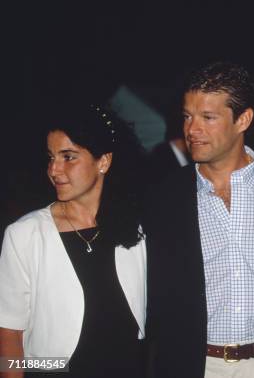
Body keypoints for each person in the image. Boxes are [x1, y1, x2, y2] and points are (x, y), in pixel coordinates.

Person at [144, 62, 254, 378]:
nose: (192, 129)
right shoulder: (163, 198)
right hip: (197, 365)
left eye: (208, 118)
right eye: (187, 116)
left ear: (244, 119)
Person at [0, 103, 147, 378]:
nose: (54, 170)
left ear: (103, 162)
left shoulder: (135, 228)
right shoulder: (25, 234)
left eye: (68, 157)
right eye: (51, 157)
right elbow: (8, 334)